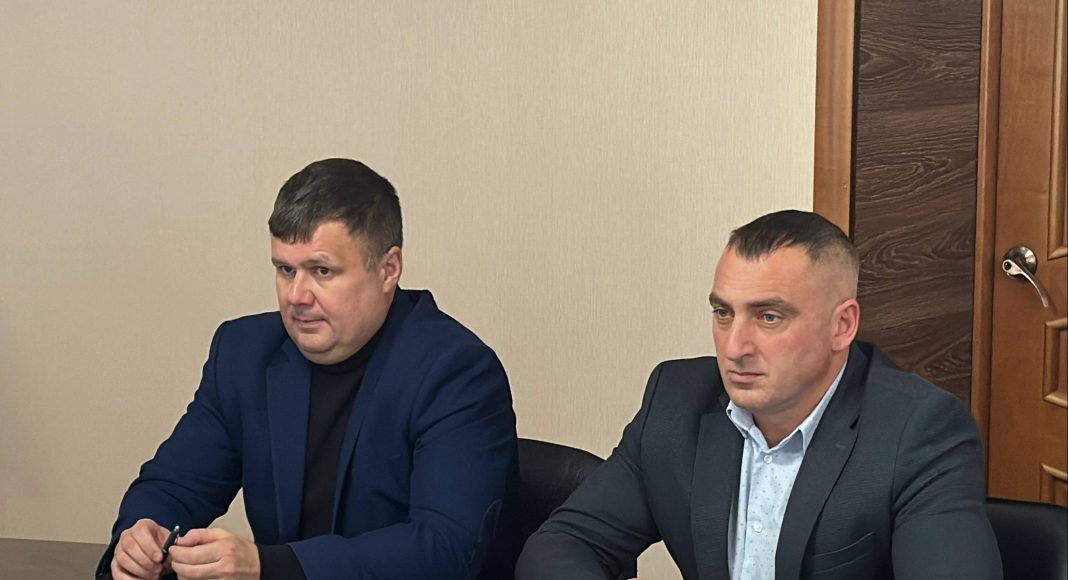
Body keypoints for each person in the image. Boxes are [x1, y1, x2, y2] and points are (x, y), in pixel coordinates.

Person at [516, 210, 1002, 580]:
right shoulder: (677, 401)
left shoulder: (918, 430)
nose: (735, 347)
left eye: (769, 317)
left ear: (842, 325)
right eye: (723, 313)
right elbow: (562, 545)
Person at [98, 158, 519, 580]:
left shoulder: (456, 372)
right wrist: (141, 538)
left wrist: (268, 566)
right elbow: (173, 486)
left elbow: (443, 549)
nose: (297, 295)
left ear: (388, 269)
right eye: (285, 270)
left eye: (322, 271)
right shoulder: (244, 354)